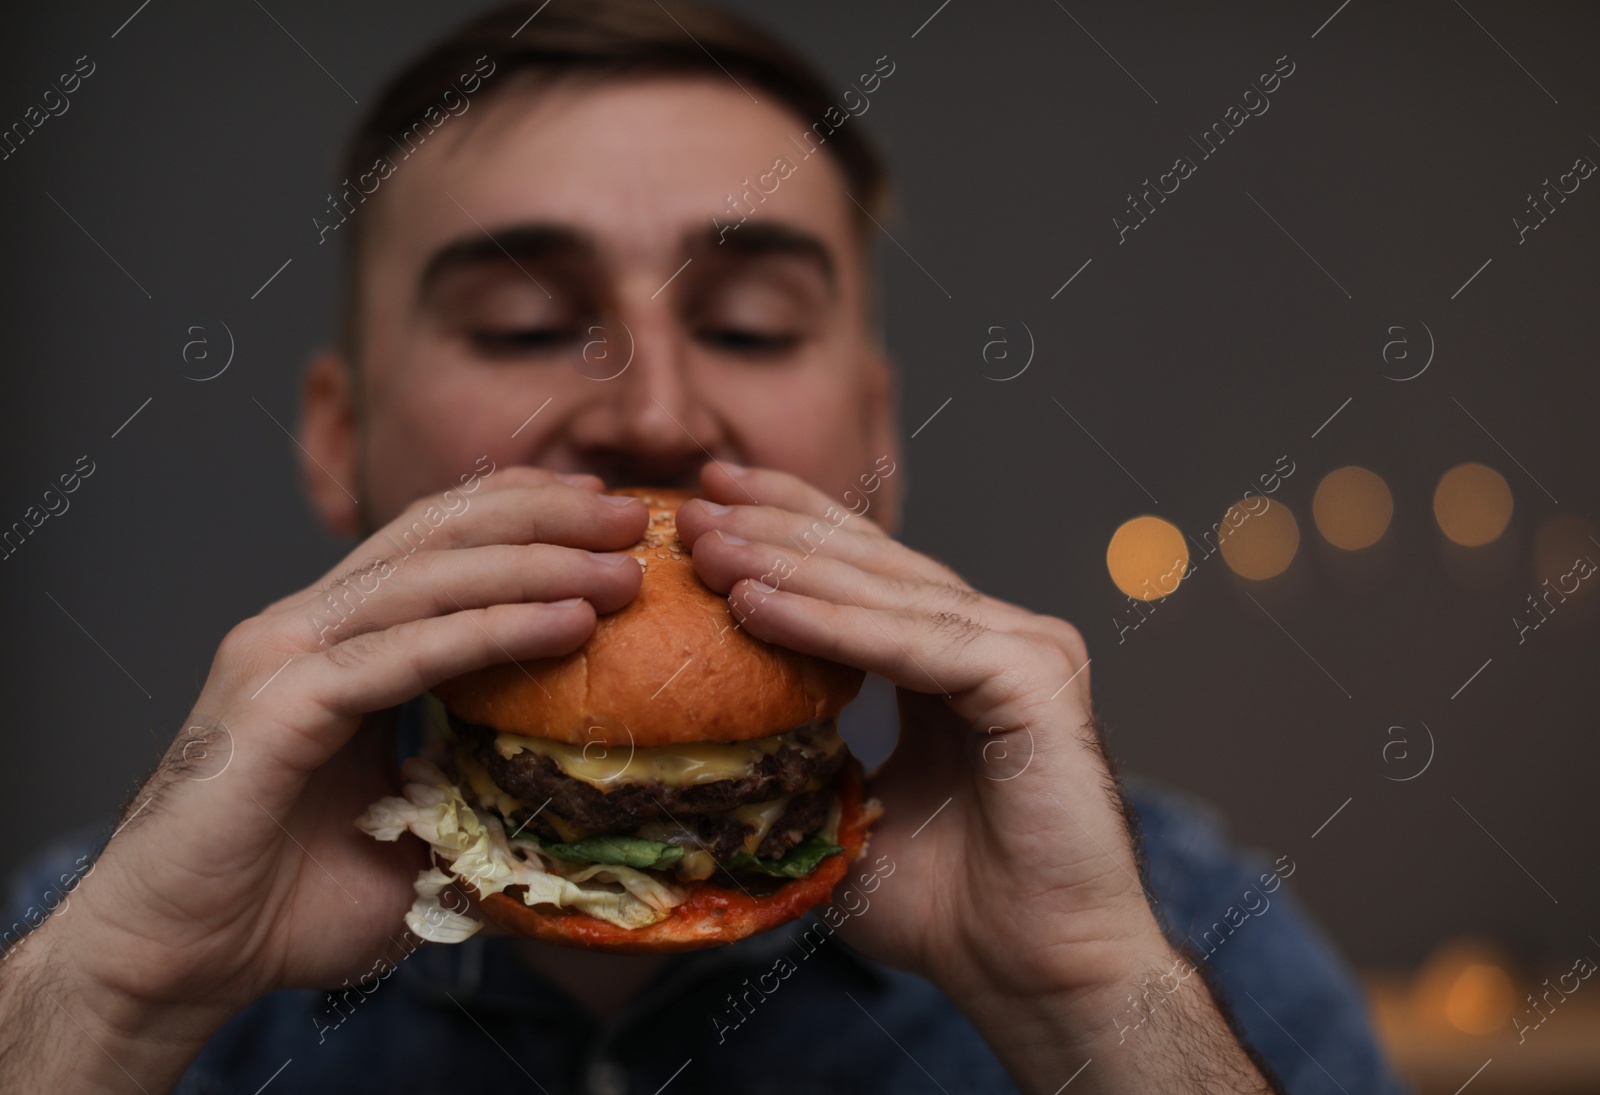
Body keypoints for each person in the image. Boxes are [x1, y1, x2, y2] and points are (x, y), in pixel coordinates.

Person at [0, 3, 1407, 1092]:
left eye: (749, 326)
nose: (656, 414)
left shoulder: (1182, 931)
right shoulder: (88, 932)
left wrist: (1085, 1011)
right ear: (336, 438)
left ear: (875, 445)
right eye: (523, 327)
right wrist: (114, 1005)